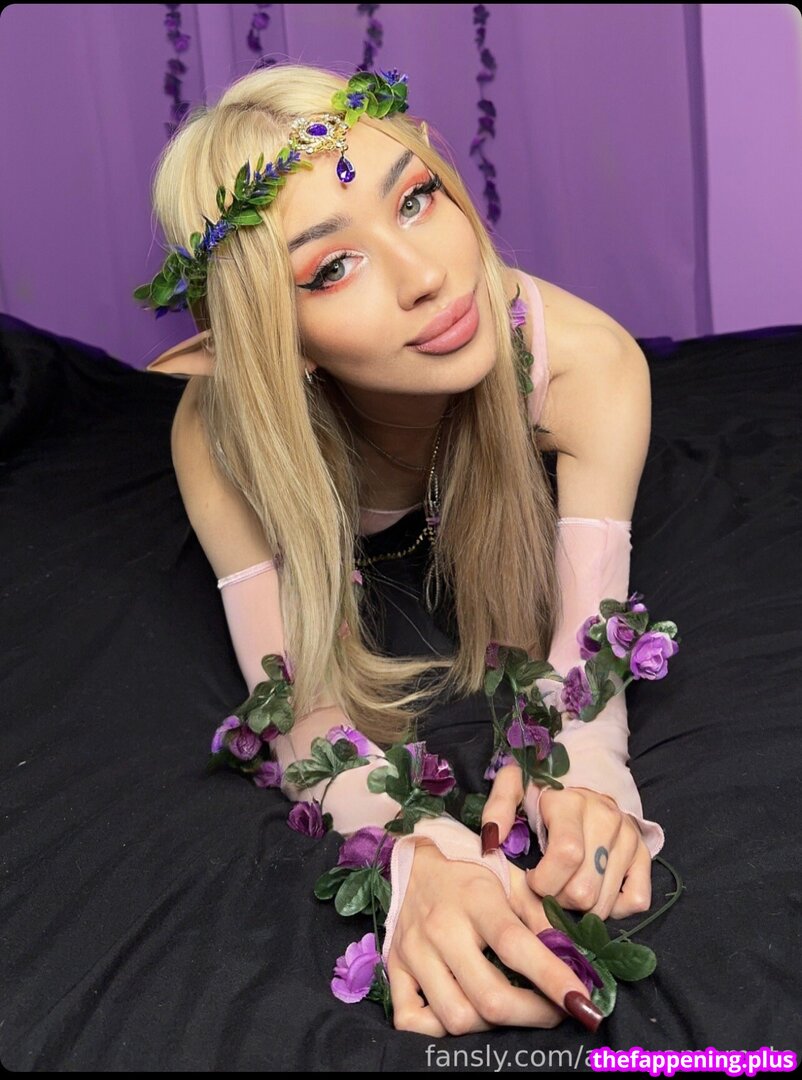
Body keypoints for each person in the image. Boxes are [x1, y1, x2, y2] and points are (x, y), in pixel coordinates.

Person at [140, 62, 665, 1037]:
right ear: (278, 336)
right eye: (331, 267)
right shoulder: (219, 437)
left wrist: (585, 766)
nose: (427, 275)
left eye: (416, 198)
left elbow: (587, 657)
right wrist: (414, 851)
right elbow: (299, 704)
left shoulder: (591, 366)